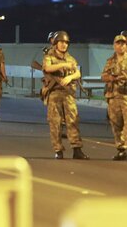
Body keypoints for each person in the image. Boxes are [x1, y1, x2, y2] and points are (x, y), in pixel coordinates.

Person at [42, 31, 89, 159]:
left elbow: (78, 73)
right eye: (61, 42)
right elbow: (47, 68)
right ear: (56, 43)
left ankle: (77, 149)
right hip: (54, 93)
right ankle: (58, 150)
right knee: (55, 122)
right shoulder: (49, 56)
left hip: (68, 93)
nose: (64, 45)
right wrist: (63, 65)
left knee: (73, 121)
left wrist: (70, 77)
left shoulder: (71, 58)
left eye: (66, 43)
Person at [102, 35, 127, 161]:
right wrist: (112, 78)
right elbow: (103, 75)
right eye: (118, 44)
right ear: (114, 45)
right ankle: (121, 150)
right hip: (113, 96)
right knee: (116, 124)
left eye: (124, 44)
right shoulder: (110, 61)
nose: (121, 46)